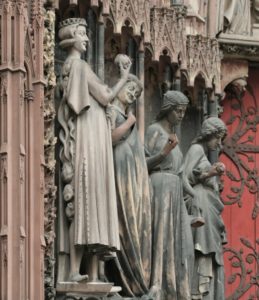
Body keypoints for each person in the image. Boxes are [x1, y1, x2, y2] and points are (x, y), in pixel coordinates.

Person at [57, 18, 131, 282]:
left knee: (88, 202)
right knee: (86, 201)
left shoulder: (76, 66)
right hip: (88, 144)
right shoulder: (78, 66)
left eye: (87, 34)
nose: (87, 38)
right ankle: (77, 272)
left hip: (93, 141)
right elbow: (106, 96)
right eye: (82, 34)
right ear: (71, 39)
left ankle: (89, 272)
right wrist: (123, 78)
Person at [107, 70, 152, 297]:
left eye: (137, 93)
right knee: (120, 226)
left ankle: (137, 283)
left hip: (131, 181)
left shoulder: (124, 116)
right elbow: (110, 138)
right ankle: (124, 282)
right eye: (131, 89)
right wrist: (131, 122)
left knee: (133, 229)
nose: (133, 95)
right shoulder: (111, 111)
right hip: (117, 175)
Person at [145, 90, 193, 300]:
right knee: (161, 237)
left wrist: (193, 200)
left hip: (174, 190)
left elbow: (181, 173)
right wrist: (163, 152)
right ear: (168, 110)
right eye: (178, 110)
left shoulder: (176, 138)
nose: (181, 115)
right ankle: (157, 285)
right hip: (159, 186)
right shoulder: (154, 130)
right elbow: (141, 164)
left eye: (184, 111)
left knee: (181, 242)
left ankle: (175, 286)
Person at [183, 117, 227, 299]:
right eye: (217, 137)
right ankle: (198, 292)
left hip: (208, 206)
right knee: (203, 249)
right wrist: (211, 172)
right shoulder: (196, 149)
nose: (219, 143)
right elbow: (184, 177)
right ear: (209, 134)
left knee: (207, 250)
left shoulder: (202, 151)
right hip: (200, 204)